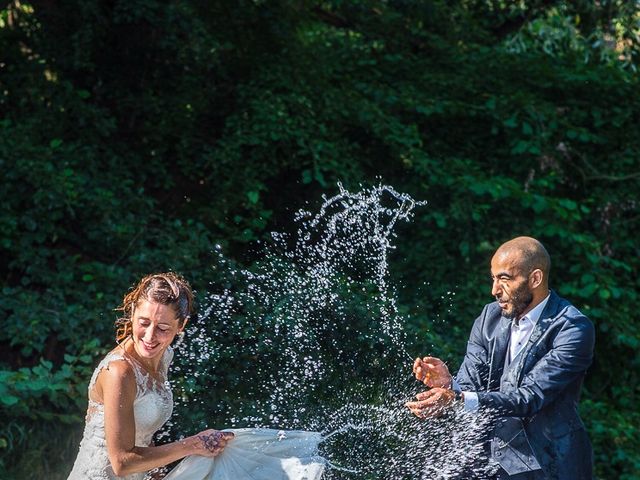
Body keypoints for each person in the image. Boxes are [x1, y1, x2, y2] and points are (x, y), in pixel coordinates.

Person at [406, 237, 595, 479]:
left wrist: (456, 398)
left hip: (547, 463)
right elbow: (471, 387)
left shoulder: (573, 328)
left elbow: (530, 397)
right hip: (486, 459)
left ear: (535, 279)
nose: (494, 290)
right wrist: (449, 386)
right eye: (493, 278)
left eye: (504, 279)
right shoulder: (489, 317)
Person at [68, 272, 234, 479]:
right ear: (132, 313)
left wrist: (157, 475)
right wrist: (194, 444)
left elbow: (142, 434)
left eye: (163, 328)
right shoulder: (120, 372)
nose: (149, 336)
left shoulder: (164, 356)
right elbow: (121, 462)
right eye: (143, 323)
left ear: (181, 326)